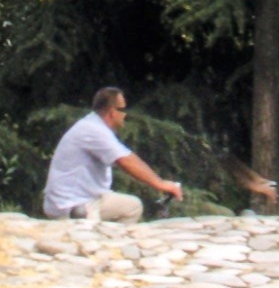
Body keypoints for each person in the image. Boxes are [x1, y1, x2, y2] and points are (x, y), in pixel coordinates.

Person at [43, 88, 181, 223]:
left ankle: (115, 242)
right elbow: (126, 161)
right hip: (73, 205)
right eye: (122, 110)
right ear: (112, 112)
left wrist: (160, 182)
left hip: (87, 198)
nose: (125, 115)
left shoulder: (95, 126)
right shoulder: (93, 131)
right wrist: (160, 184)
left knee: (132, 207)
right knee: (94, 240)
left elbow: (127, 156)